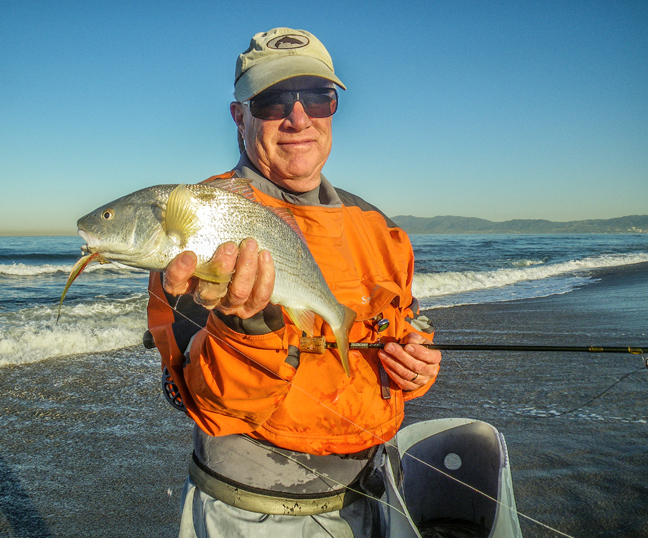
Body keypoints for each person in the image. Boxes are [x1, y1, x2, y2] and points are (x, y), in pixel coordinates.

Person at [146, 27, 442, 538]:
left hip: (376, 494)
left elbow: (407, 321)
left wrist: (416, 365)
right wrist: (248, 328)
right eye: (273, 100)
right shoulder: (197, 224)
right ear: (240, 117)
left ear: (333, 111)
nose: (298, 117)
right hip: (252, 511)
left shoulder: (378, 226)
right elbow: (202, 398)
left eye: (318, 97)